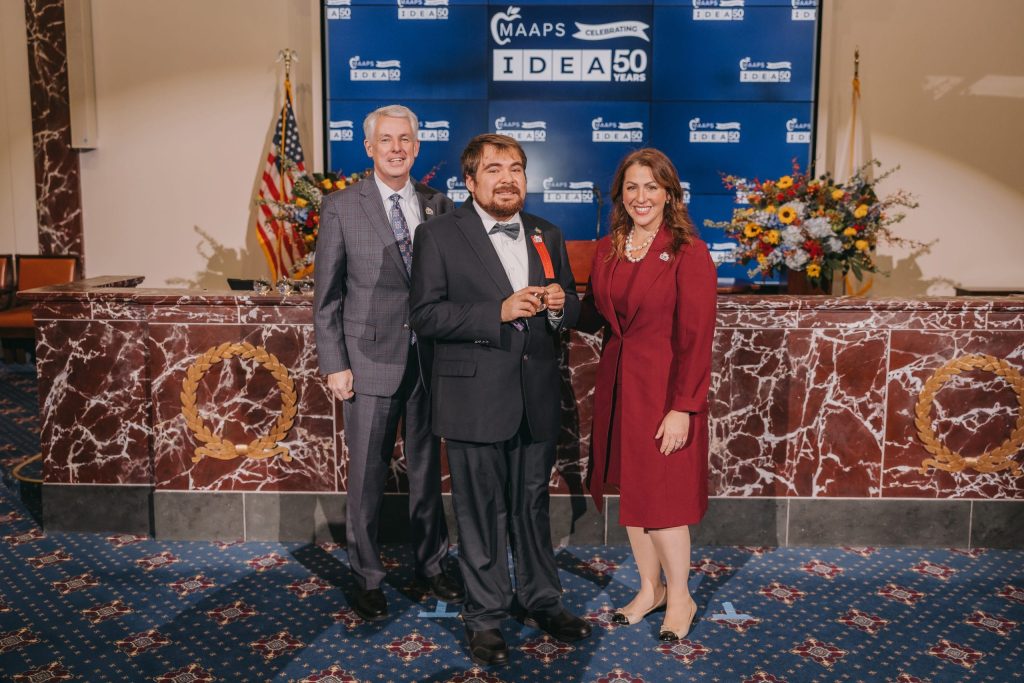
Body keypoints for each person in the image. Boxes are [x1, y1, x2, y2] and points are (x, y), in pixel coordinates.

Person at [409, 133, 591, 666]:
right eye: (494, 169)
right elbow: (425, 316)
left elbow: (571, 309)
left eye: (516, 168)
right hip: (471, 399)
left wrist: (561, 306)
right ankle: (485, 616)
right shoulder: (438, 235)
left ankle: (542, 599)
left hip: (535, 395)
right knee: (481, 513)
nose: (507, 178)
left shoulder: (547, 234)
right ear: (469, 181)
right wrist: (499, 311)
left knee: (532, 506)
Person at [313, 104, 463, 622]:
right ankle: (367, 575)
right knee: (367, 476)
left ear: (417, 148)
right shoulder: (340, 208)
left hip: (427, 363)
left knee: (426, 474)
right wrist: (335, 363)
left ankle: (432, 565)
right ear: (370, 148)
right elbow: (327, 297)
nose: (397, 148)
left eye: (406, 140)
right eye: (387, 140)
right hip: (367, 362)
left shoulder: (439, 205)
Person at [579, 148, 717, 641]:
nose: (641, 197)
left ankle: (681, 596)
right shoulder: (608, 248)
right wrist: (554, 304)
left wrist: (683, 407)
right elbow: (598, 315)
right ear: (621, 194)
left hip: (664, 393)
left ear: (669, 194)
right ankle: (648, 589)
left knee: (663, 502)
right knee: (634, 496)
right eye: (632, 187)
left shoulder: (689, 253)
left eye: (651, 187)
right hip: (619, 388)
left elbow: (697, 338)